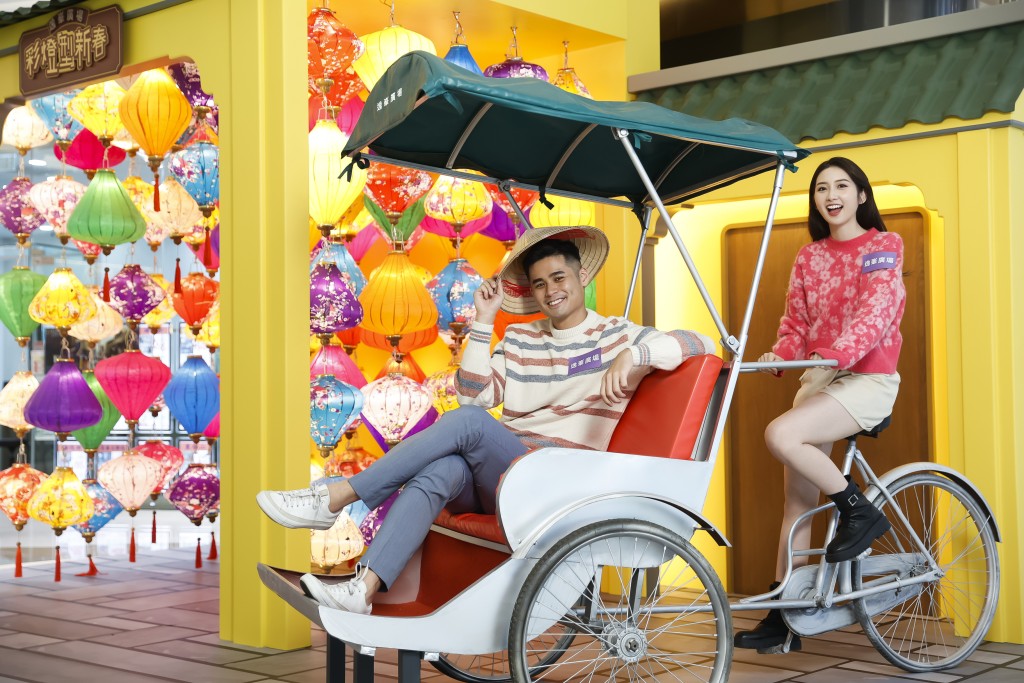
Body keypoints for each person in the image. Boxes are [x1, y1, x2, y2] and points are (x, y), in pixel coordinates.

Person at [257, 225, 714, 614]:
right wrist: (483, 321)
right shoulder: (520, 339)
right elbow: (473, 393)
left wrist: (635, 355)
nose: (551, 291)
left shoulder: (616, 334)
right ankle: (364, 589)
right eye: (540, 284)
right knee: (443, 469)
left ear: (581, 277)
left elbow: (702, 343)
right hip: (506, 474)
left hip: (560, 481)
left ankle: (338, 497)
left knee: (470, 424)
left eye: (559, 277)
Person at [734, 157, 906, 654]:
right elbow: (796, 325)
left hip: (867, 378)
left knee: (781, 434)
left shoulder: (883, 246)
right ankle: (784, 618)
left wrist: (837, 353)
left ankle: (858, 511)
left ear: (861, 195)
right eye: (822, 188)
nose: (831, 196)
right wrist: (779, 355)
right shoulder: (810, 257)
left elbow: (876, 312)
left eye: (842, 186)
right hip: (822, 377)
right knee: (796, 505)